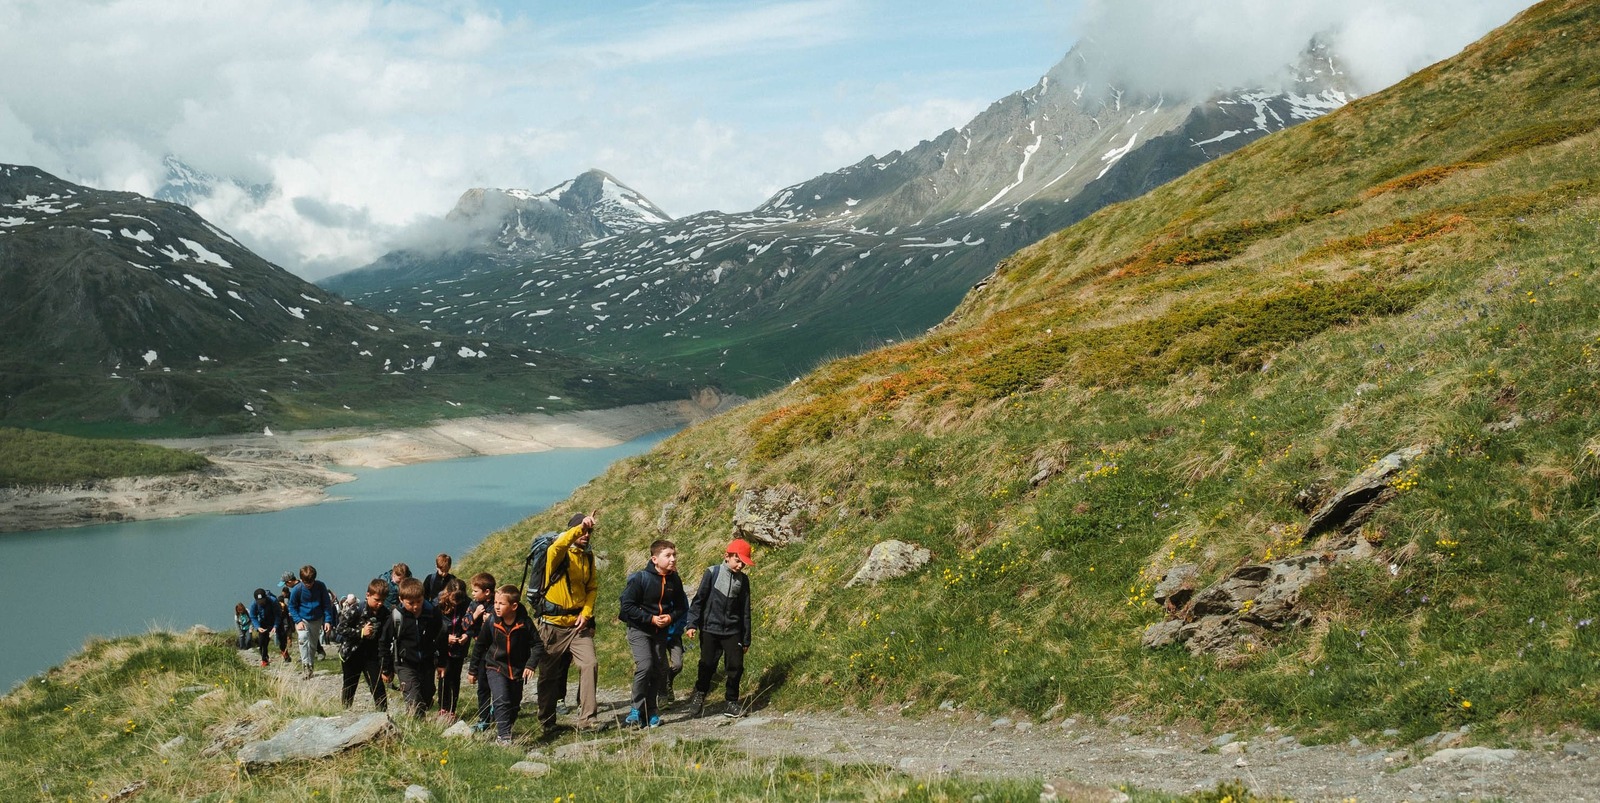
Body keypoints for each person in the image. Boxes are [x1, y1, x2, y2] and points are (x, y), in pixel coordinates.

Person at [535, 512, 601, 732]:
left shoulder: (587, 556)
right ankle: (547, 720)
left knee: (589, 664)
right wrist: (580, 527)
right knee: (548, 674)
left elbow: (591, 588)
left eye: (589, 532)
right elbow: (562, 543)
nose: (586, 535)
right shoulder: (556, 552)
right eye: (584, 531)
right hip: (552, 624)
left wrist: (587, 612)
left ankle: (588, 720)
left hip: (577, 624)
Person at [684, 538, 756, 718]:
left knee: (736, 666)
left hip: (733, 631)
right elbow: (698, 600)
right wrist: (692, 623)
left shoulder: (743, 581)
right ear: (727, 556)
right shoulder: (712, 573)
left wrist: (746, 638)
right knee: (707, 664)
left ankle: (731, 702)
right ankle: (700, 694)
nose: (740, 566)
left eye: (744, 563)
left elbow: (745, 610)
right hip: (710, 629)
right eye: (737, 560)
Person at [617, 539, 686, 728]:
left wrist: (670, 618)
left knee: (658, 670)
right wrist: (651, 619)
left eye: (674, 555)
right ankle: (634, 711)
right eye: (668, 555)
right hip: (639, 629)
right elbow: (627, 606)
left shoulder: (674, 579)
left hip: (660, 632)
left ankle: (651, 711)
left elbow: (681, 607)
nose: (673, 559)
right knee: (645, 666)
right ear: (654, 559)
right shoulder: (640, 578)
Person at [469, 584, 543, 745]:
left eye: (501, 603)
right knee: (501, 698)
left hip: (517, 669)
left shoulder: (524, 624)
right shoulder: (492, 622)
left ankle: (505, 727)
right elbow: (480, 645)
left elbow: (538, 645)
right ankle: (503, 737)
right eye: (495, 602)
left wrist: (530, 665)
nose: (496, 606)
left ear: (514, 606)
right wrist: (473, 670)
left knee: (514, 705)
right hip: (495, 666)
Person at [333, 580, 393, 711]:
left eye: (383, 600)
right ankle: (345, 713)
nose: (380, 603)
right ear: (368, 595)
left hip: (372, 656)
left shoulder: (386, 614)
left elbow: (387, 637)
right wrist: (360, 632)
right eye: (377, 599)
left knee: (378, 687)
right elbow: (340, 629)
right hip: (352, 654)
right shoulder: (356, 609)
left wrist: (388, 665)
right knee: (350, 686)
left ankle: (383, 716)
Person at [391, 577, 445, 718]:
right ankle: (416, 727)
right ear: (401, 599)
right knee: (414, 699)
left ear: (423, 597)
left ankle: (423, 707)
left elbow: (441, 638)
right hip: (405, 663)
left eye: (419, 601)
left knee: (426, 696)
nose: (415, 606)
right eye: (411, 603)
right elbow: (384, 641)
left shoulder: (433, 613)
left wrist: (442, 663)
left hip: (427, 662)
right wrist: (386, 668)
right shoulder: (397, 616)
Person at [288, 565, 336, 679]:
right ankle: (306, 666)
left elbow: (326, 604)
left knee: (313, 645)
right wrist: (298, 621)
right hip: (302, 619)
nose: (308, 584)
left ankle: (311, 665)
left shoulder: (320, 586)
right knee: (303, 638)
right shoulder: (297, 589)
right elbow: (292, 607)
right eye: (306, 582)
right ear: (301, 580)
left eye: (311, 582)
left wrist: (328, 621)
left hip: (317, 619)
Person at [436, 578, 472, 720]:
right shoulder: (437, 603)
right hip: (443, 646)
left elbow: (472, 625)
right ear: (448, 594)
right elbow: (434, 626)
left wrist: (467, 635)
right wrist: (445, 638)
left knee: (455, 677)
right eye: (453, 599)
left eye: (459, 600)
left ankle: (452, 709)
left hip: (459, 646)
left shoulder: (468, 603)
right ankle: (443, 708)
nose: (456, 603)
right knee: (444, 675)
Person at [465, 571, 497, 731]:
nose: (472, 594)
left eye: (475, 591)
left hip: (497, 650)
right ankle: (484, 718)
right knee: (483, 685)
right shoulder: (472, 605)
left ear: (487, 592)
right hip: (481, 650)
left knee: (497, 684)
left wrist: (492, 619)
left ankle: (498, 710)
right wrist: (475, 616)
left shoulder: (498, 604)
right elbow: (464, 625)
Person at [247, 588, 281, 667]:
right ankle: (264, 660)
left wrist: (275, 626)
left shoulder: (273, 601)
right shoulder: (254, 604)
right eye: (259, 601)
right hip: (263, 623)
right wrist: (258, 627)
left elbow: (278, 615)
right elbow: (253, 616)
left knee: (282, 638)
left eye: (262, 600)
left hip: (274, 621)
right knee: (262, 643)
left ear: (265, 598)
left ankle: (284, 651)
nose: (261, 603)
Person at [274, 572, 296, 662]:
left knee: (289, 634)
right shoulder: (279, 599)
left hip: (292, 617)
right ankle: (285, 652)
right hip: (286, 619)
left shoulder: (293, 594)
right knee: (282, 637)